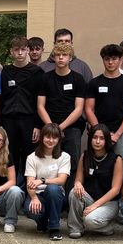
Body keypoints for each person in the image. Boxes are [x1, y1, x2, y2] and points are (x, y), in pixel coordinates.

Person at [36, 42, 87, 184]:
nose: (60, 58)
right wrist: (52, 127)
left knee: (72, 164)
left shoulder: (78, 79)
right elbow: (40, 106)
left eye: (64, 55)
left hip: (72, 128)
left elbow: (79, 108)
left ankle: (70, 200)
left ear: (70, 58)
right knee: (47, 162)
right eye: (58, 55)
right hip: (49, 127)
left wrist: (61, 128)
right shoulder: (45, 78)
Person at [0, 36, 44, 181]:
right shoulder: (5, 71)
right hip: (8, 120)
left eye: (23, 50)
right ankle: (10, 191)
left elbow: (40, 101)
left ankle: (29, 191)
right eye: (16, 50)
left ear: (28, 51)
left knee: (29, 156)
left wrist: (38, 125)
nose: (20, 53)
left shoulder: (37, 72)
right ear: (11, 52)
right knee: (9, 155)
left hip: (29, 121)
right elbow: (1, 98)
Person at [68, 124, 123, 238]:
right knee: (74, 192)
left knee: (90, 221)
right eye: (95, 137)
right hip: (90, 198)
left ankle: (107, 227)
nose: (97, 141)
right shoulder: (85, 155)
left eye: (102, 138)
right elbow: (78, 179)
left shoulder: (116, 159)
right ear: (90, 139)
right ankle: (75, 228)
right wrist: (78, 184)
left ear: (107, 140)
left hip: (108, 203)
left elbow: (116, 190)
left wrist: (95, 206)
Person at [85, 44, 123, 158]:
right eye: (107, 59)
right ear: (103, 60)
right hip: (99, 133)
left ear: (120, 60)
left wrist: (117, 134)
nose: (110, 62)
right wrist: (100, 132)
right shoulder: (94, 83)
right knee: (98, 164)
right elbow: (89, 109)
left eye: (114, 59)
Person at [23, 123, 71, 241]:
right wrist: (34, 198)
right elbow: (30, 183)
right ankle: (42, 221)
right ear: (42, 137)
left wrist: (42, 180)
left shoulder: (64, 157)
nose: (50, 140)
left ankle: (54, 228)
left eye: (54, 137)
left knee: (52, 188)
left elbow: (61, 180)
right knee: (31, 210)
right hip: (38, 195)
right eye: (47, 137)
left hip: (57, 195)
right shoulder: (32, 157)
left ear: (59, 139)